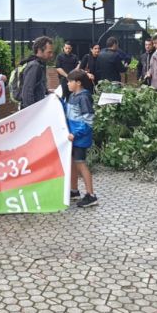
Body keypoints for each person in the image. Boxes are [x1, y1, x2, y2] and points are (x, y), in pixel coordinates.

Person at [64, 69, 98, 208]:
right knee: (72, 163)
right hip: (73, 137)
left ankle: (91, 195)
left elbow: (88, 120)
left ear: (78, 83)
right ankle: (74, 190)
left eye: (69, 82)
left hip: (80, 138)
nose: (67, 84)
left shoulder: (84, 97)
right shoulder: (72, 96)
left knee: (81, 164)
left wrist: (76, 134)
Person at [20, 36, 55, 108]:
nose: (51, 55)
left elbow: (37, 86)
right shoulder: (34, 66)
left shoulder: (41, 64)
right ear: (39, 50)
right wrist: (32, 112)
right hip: (32, 112)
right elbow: (27, 93)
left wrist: (47, 91)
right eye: (49, 52)